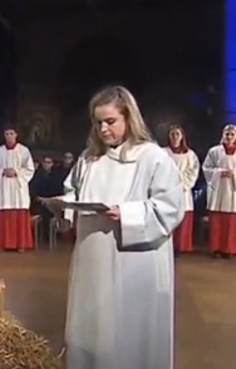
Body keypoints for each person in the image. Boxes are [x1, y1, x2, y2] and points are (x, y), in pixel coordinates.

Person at [40, 85, 184, 369]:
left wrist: (127, 213)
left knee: (128, 333)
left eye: (110, 121)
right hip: (92, 259)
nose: (103, 129)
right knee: (93, 327)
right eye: (98, 122)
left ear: (129, 118)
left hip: (135, 262)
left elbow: (170, 207)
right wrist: (63, 204)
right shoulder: (89, 158)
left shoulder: (152, 157)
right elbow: (75, 191)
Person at [202, 124, 236, 259]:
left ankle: (229, 249)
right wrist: (218, 172)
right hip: (218, 190)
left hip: (233, 191)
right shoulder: (214, 151)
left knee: (231, 221)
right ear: (223, 136)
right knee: (217, 221)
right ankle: (216, 248)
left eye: (232, 134)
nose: (229, 137)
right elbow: (206, 168)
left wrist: (235, 175)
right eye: (227, 134)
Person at [0, 124, 36, 252]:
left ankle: (21, 244)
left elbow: (30, 169)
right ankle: (4, 244)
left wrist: (16, 172)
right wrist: (3, 171)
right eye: (7, 134)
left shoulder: (24, 151)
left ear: (16, 135)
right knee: (5, 213)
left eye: (11, 134)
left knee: (19, 214)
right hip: (4, 186)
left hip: (18, 187)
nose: (9, 136)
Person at [164, 125, 200, 255]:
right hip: (167, 190)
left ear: (182, 137)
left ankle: (181, 246)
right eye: (172, 134)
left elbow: (193, 172)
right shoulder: (163, 153)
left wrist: (181, 182)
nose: (175, 137)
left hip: (183, 191)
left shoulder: (190, 155)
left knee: (182, 218)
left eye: (177, 134)